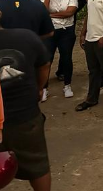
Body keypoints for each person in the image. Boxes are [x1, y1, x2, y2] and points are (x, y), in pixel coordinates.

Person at [0, 25, 52, 191]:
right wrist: (39, 88)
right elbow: (44, 65)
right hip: (25, 116)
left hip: (21, 116)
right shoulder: (26, 37)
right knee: (38, 165)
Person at [39, 0, 87, 82]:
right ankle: (44, 84)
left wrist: (71, 10)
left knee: (65, 53)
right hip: (50, 27)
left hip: (68, 23)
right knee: (48, 55)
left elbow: (78, 2)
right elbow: (42, 5)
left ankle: (63, 74)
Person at [40, 0, 79, 99]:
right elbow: (42, 12)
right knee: (48, 59)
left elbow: (69, 12)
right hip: (50, 31)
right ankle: (44, 88)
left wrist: (50, 15)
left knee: (66, 58)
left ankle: (67, 85)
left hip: (66, 30)